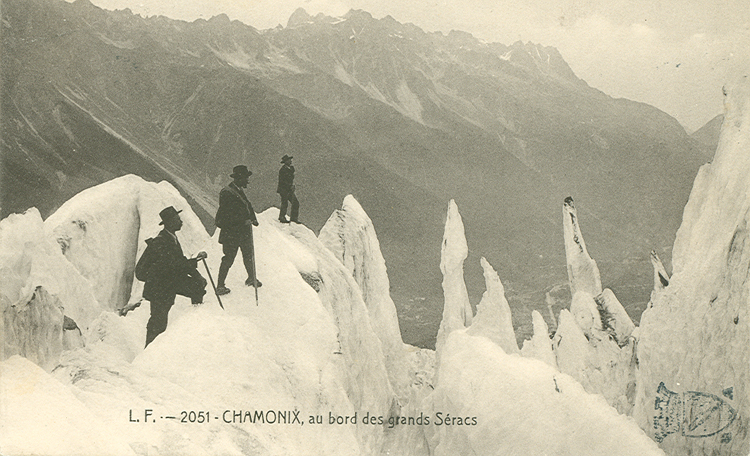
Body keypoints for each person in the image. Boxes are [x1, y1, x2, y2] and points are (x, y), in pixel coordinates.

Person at [139, 206, 207, 347]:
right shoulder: (162, 241)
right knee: (158, 322)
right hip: (160, 288)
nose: (181, 222)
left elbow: (178, 262)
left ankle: (196, 321)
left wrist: (197, 272)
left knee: (197, 287)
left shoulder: (171, 238)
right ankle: (148, 354)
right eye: (178, 220)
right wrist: (195, 267)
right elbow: (176, 264)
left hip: (167, 283)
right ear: (169, 222)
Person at [214, 165, 261, 296]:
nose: (247, 181)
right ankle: (220, 286)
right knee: (228, 258)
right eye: (246, 178)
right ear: (239, 178)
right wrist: (243, 221)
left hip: (242, 232)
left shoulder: (237, 190)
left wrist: (253, 219)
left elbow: (247, 206)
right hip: (231, 234)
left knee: (248, 255)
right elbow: (227, 215)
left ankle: (251, 278)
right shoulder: (227, 193)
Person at [277, 154, 299, 224]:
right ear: (286, 161)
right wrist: (290, 186)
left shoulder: (289, 169)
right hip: (284, 189)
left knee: (295, 203)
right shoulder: (283, 170)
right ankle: (282, 217)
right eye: (289, 160)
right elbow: (283, 181)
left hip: (288, 189)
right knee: (285, 203)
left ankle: (293, 219)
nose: (290, 161)